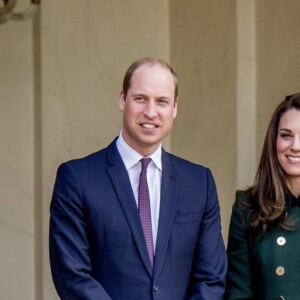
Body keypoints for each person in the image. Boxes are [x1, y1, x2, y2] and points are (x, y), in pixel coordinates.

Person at [49, 57, 227, 300]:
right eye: (140, 98)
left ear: (174, 108)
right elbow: (72, 275)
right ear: (123, 100)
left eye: (162, 101)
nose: (151, 112)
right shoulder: (77, 179)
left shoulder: (199, 183)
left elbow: (211, 278)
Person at [226, 92, 300, 299]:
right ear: (273, 140)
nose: (295, 146)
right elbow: (238, 293)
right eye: (286, 135)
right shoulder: (247, 207)